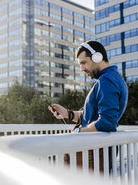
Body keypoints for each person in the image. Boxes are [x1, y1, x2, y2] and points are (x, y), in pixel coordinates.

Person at [48, 41, 128, 171]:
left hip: (94, 153)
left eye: (84, 62)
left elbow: (107, 122)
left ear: (98, 57)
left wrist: (77, 132)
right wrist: (68, 114)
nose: (82, 68)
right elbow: (91, 116)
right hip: (94, 151)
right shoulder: (111, 79)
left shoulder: (107, 81)